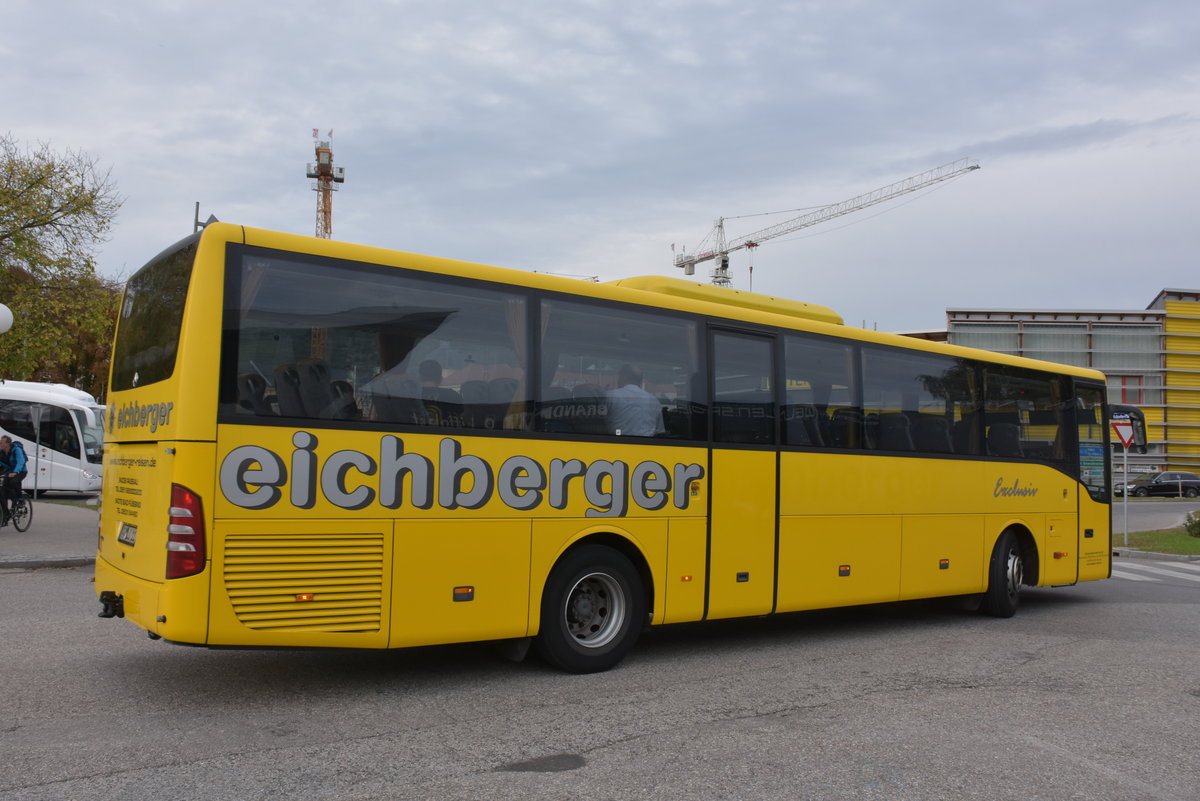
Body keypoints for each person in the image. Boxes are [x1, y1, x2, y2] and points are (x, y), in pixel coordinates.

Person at [606, 365, 665, 437]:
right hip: (647, 445)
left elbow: (599, 423)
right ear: (640, 380)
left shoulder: (611, 396)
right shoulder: (653, 400)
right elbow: (659, 431)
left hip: (616, 443)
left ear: (623, 377)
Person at [0, 435, 28, 526]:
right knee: (1, 493)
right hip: (9, 472)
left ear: (7, 443)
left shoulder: (16, 450)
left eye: (2, 442)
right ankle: (5, 515)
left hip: (20, 471)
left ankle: (20, 499)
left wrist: (16, 471)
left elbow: (21, 461)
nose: (0, 443)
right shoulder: (1, 452)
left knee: (14, 481)